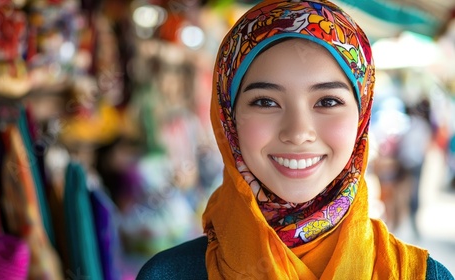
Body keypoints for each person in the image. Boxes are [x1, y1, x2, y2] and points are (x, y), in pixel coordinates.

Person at [137, 0, 455, 279]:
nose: (298, 132)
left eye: (328, 101)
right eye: (265, 102)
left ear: (361, 117)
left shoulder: (422, 275)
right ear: (229, 119)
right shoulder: (168, 274)